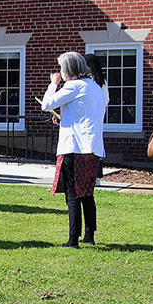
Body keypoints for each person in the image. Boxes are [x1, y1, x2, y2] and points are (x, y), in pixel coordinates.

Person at [41, 52, 106, 248]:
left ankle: (72, 239)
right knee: (87, 193)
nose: (60, 72)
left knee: (73, 194)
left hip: (74, 147)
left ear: (68, 70)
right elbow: (86, 115)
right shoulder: (95, 87)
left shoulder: (73, 86)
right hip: (92, 147)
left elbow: (46, 104)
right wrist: (64, 119)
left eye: (61, 68)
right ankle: (89, 235)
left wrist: (53, 84)